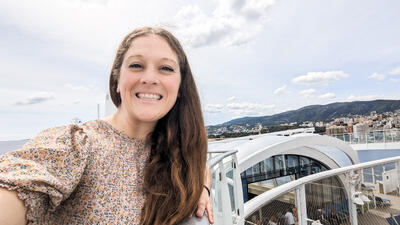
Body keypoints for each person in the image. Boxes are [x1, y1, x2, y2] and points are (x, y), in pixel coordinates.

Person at [0, 27, 213, 225]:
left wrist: (202, 188)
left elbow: (199, 168)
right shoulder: (77, 146)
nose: (149, 78)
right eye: (136, 65)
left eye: (165, 68)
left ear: (180, 86)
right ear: (117, 81)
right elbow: (19, 184)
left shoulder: (177, 148)